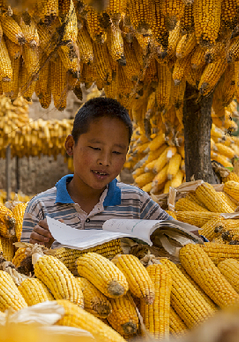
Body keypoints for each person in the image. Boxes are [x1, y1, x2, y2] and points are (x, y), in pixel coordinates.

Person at [20, 97, 172, 247]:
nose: (105, 161)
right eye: (96, 149)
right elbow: (21, 267)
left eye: (117, 152)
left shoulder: (136, 203)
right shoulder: (40, 207)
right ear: (71, 145)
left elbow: (178, 238)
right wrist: (41, 248)